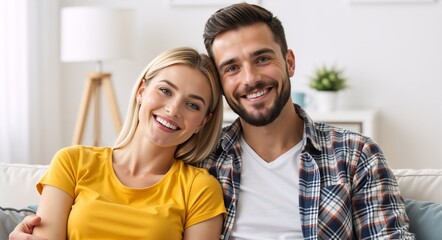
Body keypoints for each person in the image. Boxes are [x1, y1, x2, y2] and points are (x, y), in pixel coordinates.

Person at [11, 3, 415, 240]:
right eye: (232, 68)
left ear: (288, 61)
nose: (251, 78)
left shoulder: (354, 154)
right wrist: (25, 225)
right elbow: (116, 193)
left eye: (262, 59)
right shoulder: (201, 161)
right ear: (222, 84)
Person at [11, 47, 226, 240]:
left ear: (203, 122)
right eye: (165, 91)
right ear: (142, 91)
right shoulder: (72, 162)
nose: (173, 110)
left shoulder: (200, 189)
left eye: (192, 105)